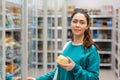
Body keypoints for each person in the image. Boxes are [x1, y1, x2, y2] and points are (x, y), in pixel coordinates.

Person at [27, 8, 100, 80]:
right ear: (70, 23)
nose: (77, 25)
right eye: (74, 21)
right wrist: (37, 79)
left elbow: (94, 77)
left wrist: (75, 68)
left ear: (87, 26)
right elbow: (57, 72)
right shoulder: (67, 45)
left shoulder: (91, 50)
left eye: (82, 22)